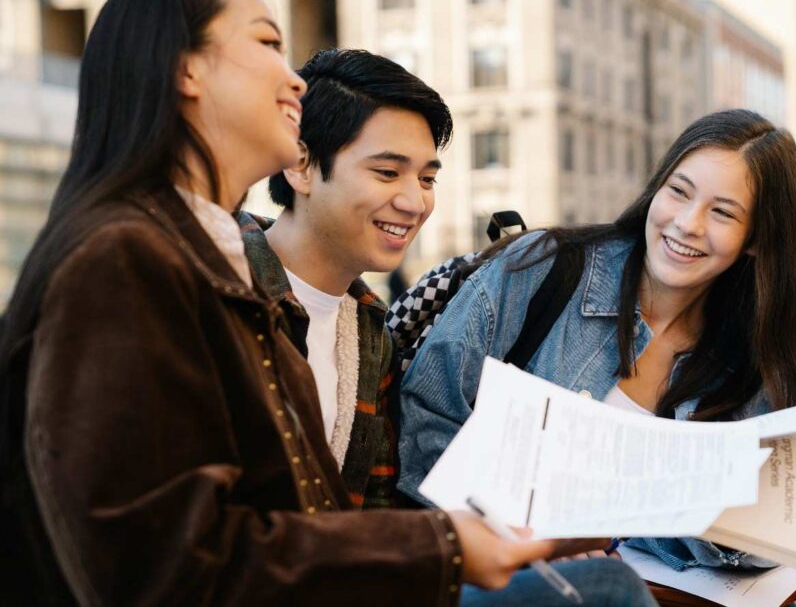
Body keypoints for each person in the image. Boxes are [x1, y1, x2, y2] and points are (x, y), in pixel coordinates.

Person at [0, 0, 651, 606]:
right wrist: (444, 546)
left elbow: (316, 519)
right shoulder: (127, 258)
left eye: (426, 176)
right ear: (185, 69)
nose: (292, 77)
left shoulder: (244, 278)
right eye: (266, 43)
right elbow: (163, 564)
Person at [238, 47, 657, 604]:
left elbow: (378, 517)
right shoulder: (225, 288)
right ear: (300, 164)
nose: (413, 201)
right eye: (387, 172)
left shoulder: (368, 331)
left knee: (599, 582)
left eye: (427, 178)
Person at [399, 109, 796, 571]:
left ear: (757, 239)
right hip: (484, 572)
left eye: (722, 212)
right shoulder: (543, 268)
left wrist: (613, 533)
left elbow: (764, 542)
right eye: (678, 192)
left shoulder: (752, 364)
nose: (687, 223)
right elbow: (426, 415)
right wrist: (521, 536)